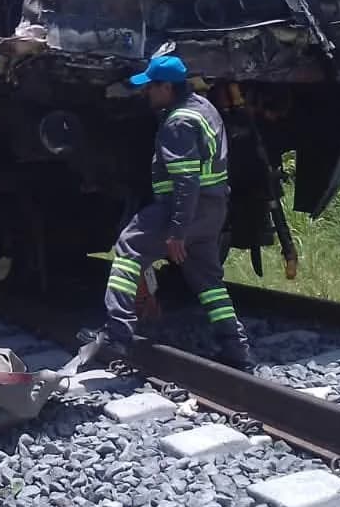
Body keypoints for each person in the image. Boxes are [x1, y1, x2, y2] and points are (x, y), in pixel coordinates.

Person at [90, 54, 255, 371]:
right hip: (213, 210)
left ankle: (116, 335)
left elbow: (186, 180)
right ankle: (237, 348)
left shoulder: (179, 123)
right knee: (208, 281)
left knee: (129, 248)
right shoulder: (205, 108)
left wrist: (177, 230)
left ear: (166, 87)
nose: (146, 92)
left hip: (183, 209)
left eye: (151, 86)